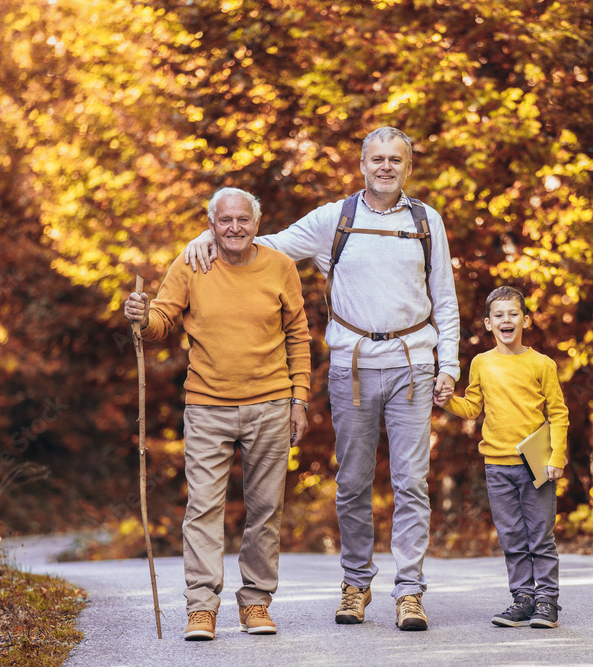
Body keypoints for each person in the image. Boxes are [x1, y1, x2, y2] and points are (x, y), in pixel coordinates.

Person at [183, 127, 460, 631]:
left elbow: (445, 297)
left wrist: (450, 364)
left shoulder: (426, 221)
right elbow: (263, 242)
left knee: (412, 483)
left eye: (395, 160)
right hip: (352, 368)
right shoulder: (336, 218)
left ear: (408, 167)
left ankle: (410, 592)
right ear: (361, 164)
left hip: (413, 363)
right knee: (352, 483)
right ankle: (355, 584)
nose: (385, 167)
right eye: (376, 158)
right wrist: (209, 235)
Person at [124, 187, 311, 641]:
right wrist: (141, 317)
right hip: (207, 406)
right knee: (203, 508)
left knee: (266, 509)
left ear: (256, 223)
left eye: (243, 219)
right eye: (225, 220)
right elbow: (161, 323)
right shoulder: (191, 264)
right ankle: (202, 608)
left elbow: (298, 336)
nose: (234, 228)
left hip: (270, 404)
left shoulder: (281, 268)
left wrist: (299, 398)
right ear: (211, 224)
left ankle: (256, 604)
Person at [433, 286, 569, 629]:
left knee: (540, 535)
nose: (506, 320)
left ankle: (547, 601)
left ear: (525, 319)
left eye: (512, 314)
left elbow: (559, 414)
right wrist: (447, 399)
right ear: (488, 324)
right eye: (498, 315)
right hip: (496, 464)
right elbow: (471, 407)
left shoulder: (542, 364)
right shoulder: (481, 363)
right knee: (511, 538)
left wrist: (557, 458)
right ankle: (523, 599)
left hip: (535, 461)